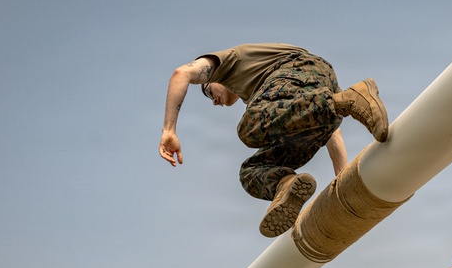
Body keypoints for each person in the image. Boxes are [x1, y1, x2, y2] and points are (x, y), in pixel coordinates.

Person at [158, 43, 390, 237]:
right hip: (319, 93)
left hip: (298, 70)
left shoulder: (229, 62)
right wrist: (344, 182)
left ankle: (347, 100)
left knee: (249, 128)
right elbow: (332, 130)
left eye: (208, 92)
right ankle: (285, 184)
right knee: (250, 171)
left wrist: (169, 130)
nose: (213, 101)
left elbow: (182, 74)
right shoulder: (274, 104)